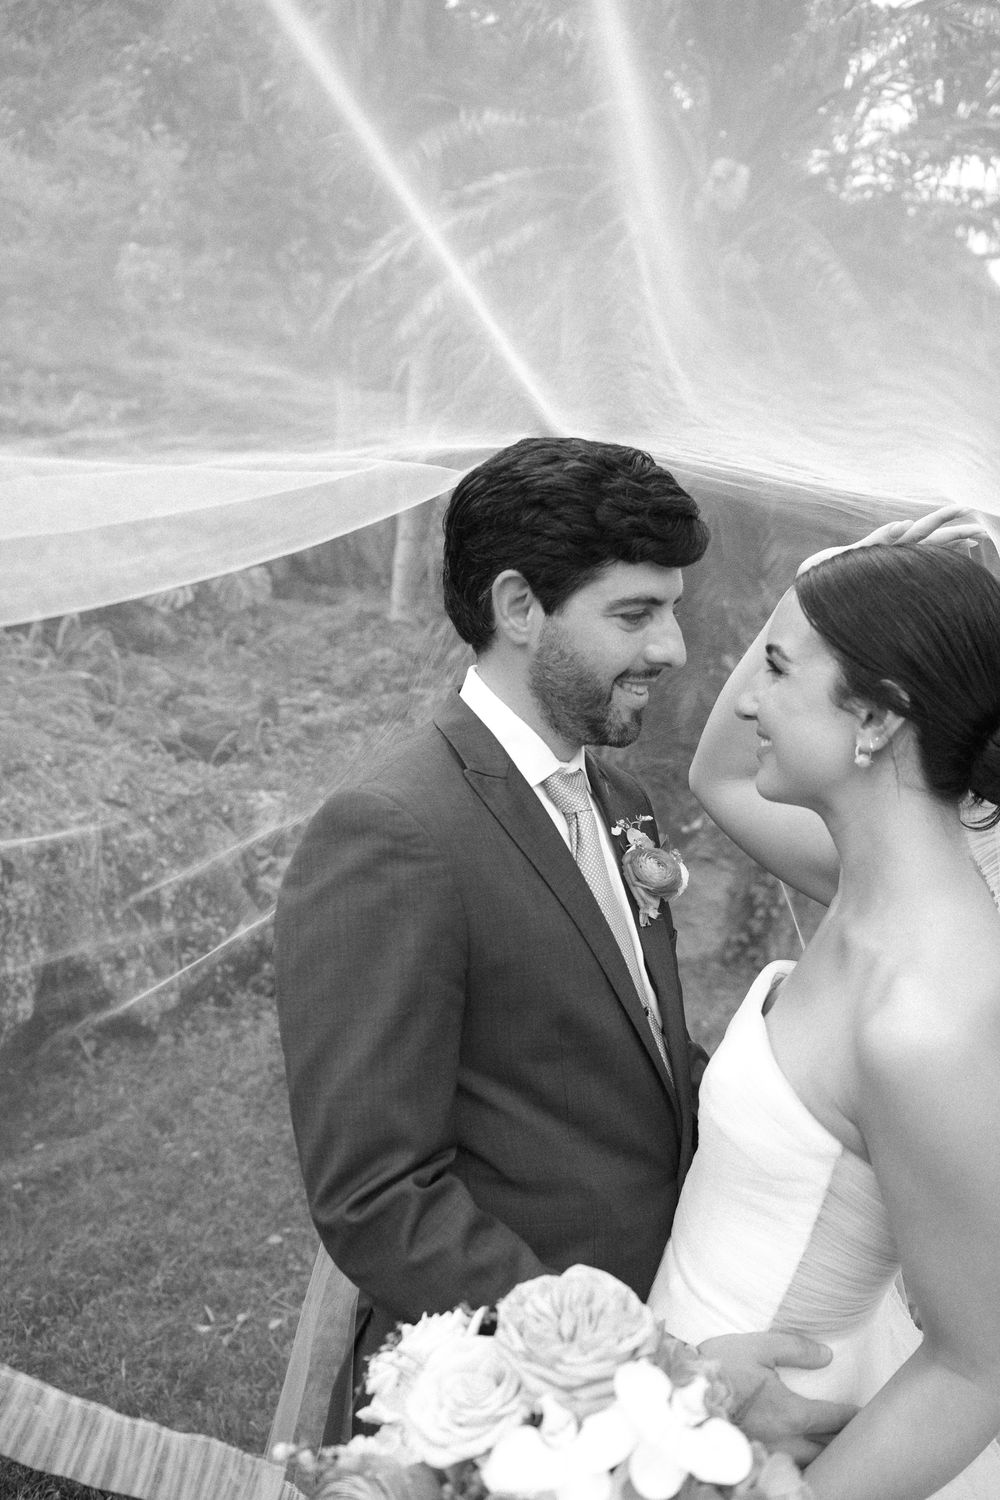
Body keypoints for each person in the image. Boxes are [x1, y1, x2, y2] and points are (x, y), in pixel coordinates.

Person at [274, 436, 853, 1453]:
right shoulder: (394, 834)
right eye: (634, 613)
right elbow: (377, 1198)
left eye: (669, 607)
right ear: (517, 607)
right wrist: (641, 1371)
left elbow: (626, 1059)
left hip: (672, 1323)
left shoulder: (616, 797)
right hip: (520, 1409)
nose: (671, 647)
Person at [648, 509, 1000, 1499]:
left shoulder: (924, 1017)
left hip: (775, 1449)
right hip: (692, 1387)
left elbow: (982, 1364)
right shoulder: (868, 888)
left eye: (776, 668)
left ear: (879, 717)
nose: (748, 697)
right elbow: (717, 772)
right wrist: (832, 580)